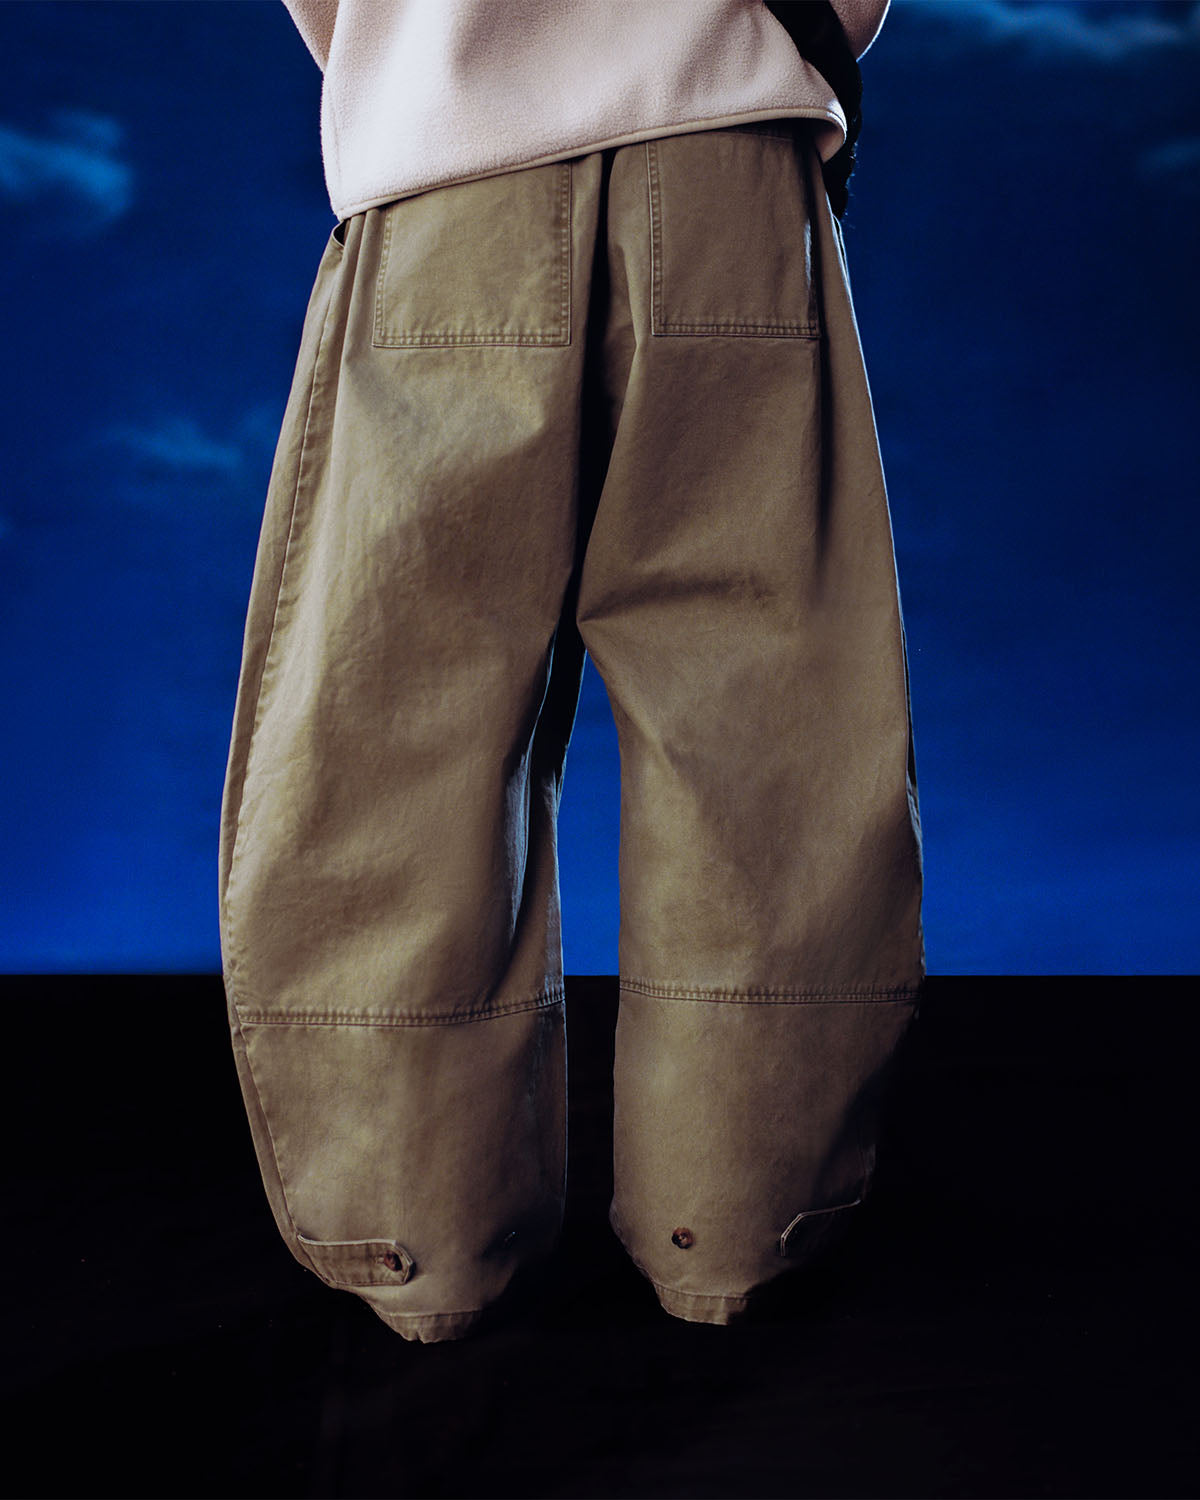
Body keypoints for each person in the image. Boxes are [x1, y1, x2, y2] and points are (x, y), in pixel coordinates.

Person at [218, 0, 925, 1344]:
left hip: (446, 193)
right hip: (732, 179)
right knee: (764, 730)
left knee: (394, 729)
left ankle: (418, 1240)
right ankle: (731, 1233)